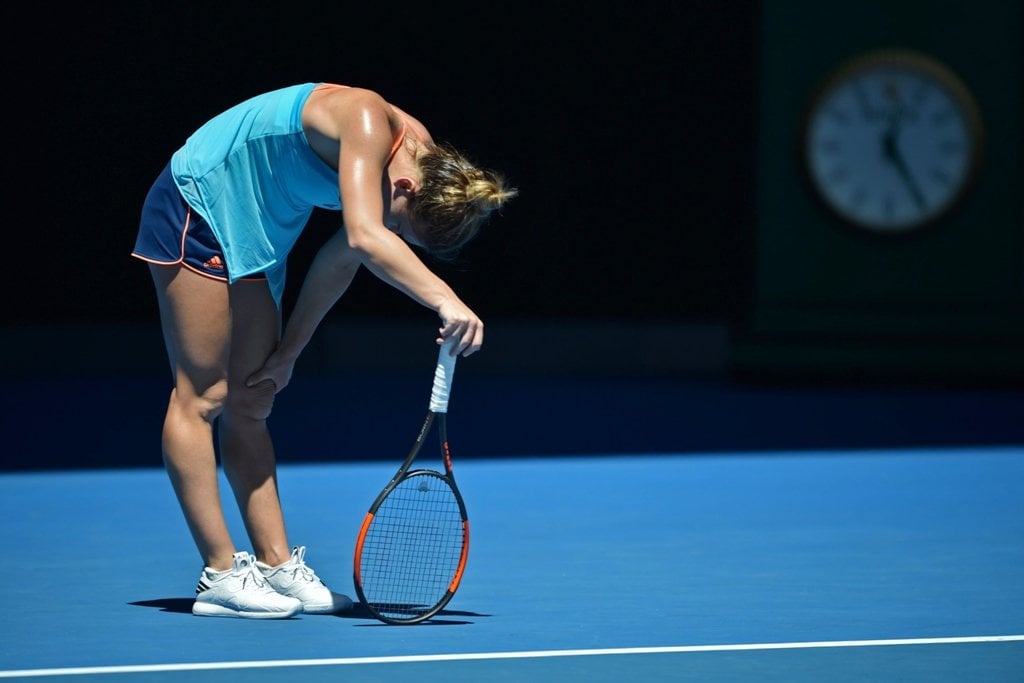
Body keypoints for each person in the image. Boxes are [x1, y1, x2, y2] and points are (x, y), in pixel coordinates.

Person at [131, 82, 517, 619]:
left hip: (263, 234)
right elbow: (363, 236)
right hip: (201, 204)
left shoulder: (419, 155)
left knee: (252, 398)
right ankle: (219, 573)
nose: (395, 236)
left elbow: (342, 259)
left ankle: (275, 565)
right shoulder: (364, 120)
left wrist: (290, 350)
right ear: (404, 186)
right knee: (203, 395)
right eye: (402, 228)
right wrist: (447, 300)